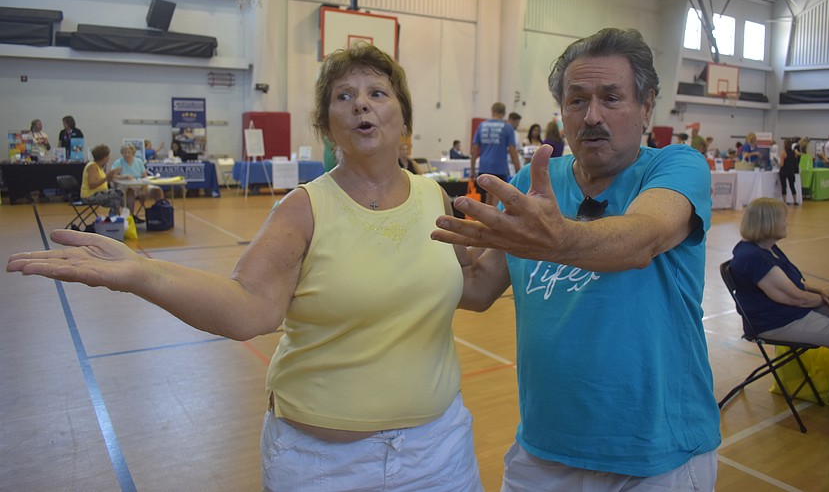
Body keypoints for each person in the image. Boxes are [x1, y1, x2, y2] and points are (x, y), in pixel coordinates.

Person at [8, 43, 484, 491]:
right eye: (345, 96)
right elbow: (249, 308)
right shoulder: (304, 209)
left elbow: (476, 289)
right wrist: (143, 274)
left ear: (403, 117)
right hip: (326, 465)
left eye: (377, 93)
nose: (362, 105)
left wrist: (539, 235)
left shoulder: (434, 197)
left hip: (439, 452)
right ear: (325, 123)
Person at [432, 27, 720, 490]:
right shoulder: (536, 179)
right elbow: (479, 287)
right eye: (577, 100)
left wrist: (557, 239)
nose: (592, 116)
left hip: (656, 455)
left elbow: (642, 239)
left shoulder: (675, 166)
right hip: (544, 448)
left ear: (646, 107)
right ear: (562, 111)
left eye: (612, 98)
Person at [729, 197, 829, 425]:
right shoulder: (753, 257)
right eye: (783, 218)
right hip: (777, 321)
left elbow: (797, 285)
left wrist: (821, 291)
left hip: (793, 311)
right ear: (768, 222)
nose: (787, 222)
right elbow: (794, 298)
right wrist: (821, 299)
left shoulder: (768, 249)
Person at [470, 102, 521, 205]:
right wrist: (518, 171)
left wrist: (472, 169)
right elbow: (512, 151)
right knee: (497, 198)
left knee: (486, 198)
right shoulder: (507, 127)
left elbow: (474, 150)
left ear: (492, 111)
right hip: (499, 167)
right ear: (503, 113)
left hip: (484, 167)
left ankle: (485, 220)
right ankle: (494, 219)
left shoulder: (481, 126)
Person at [112, 143, 164, 223]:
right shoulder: (118, 162)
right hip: (125, 187)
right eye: (124, 152)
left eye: (129, 152)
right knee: (130, 192)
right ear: (122, 153)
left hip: (140, 185)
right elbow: (113, 176)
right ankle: (130, 217)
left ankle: (161, 215)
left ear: (133, 153)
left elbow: (144, 176)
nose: (127, 154)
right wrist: (124, 176)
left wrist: (144, 188)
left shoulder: (139, 162)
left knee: (157, 191)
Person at [80, 144, 124, 217]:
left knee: (116, 200)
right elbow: (92, 184)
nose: (109, 158)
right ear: (104, 157)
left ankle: (114, 219)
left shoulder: (99, 166)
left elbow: (104, 181)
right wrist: (106, 178)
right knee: (118, 194)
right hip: (89, 196)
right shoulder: (93, 166)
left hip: (99, 193)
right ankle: (126, 214)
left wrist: (111, 175)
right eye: (108, 156)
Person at [778, 138, 798, 206]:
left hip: (784, 171)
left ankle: (785, 201)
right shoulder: (794, 153)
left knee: (784, 186)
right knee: (792, 186)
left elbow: (781, 164)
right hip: (791, 171)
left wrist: (777, 162)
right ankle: (795, 200)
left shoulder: (783, 153)